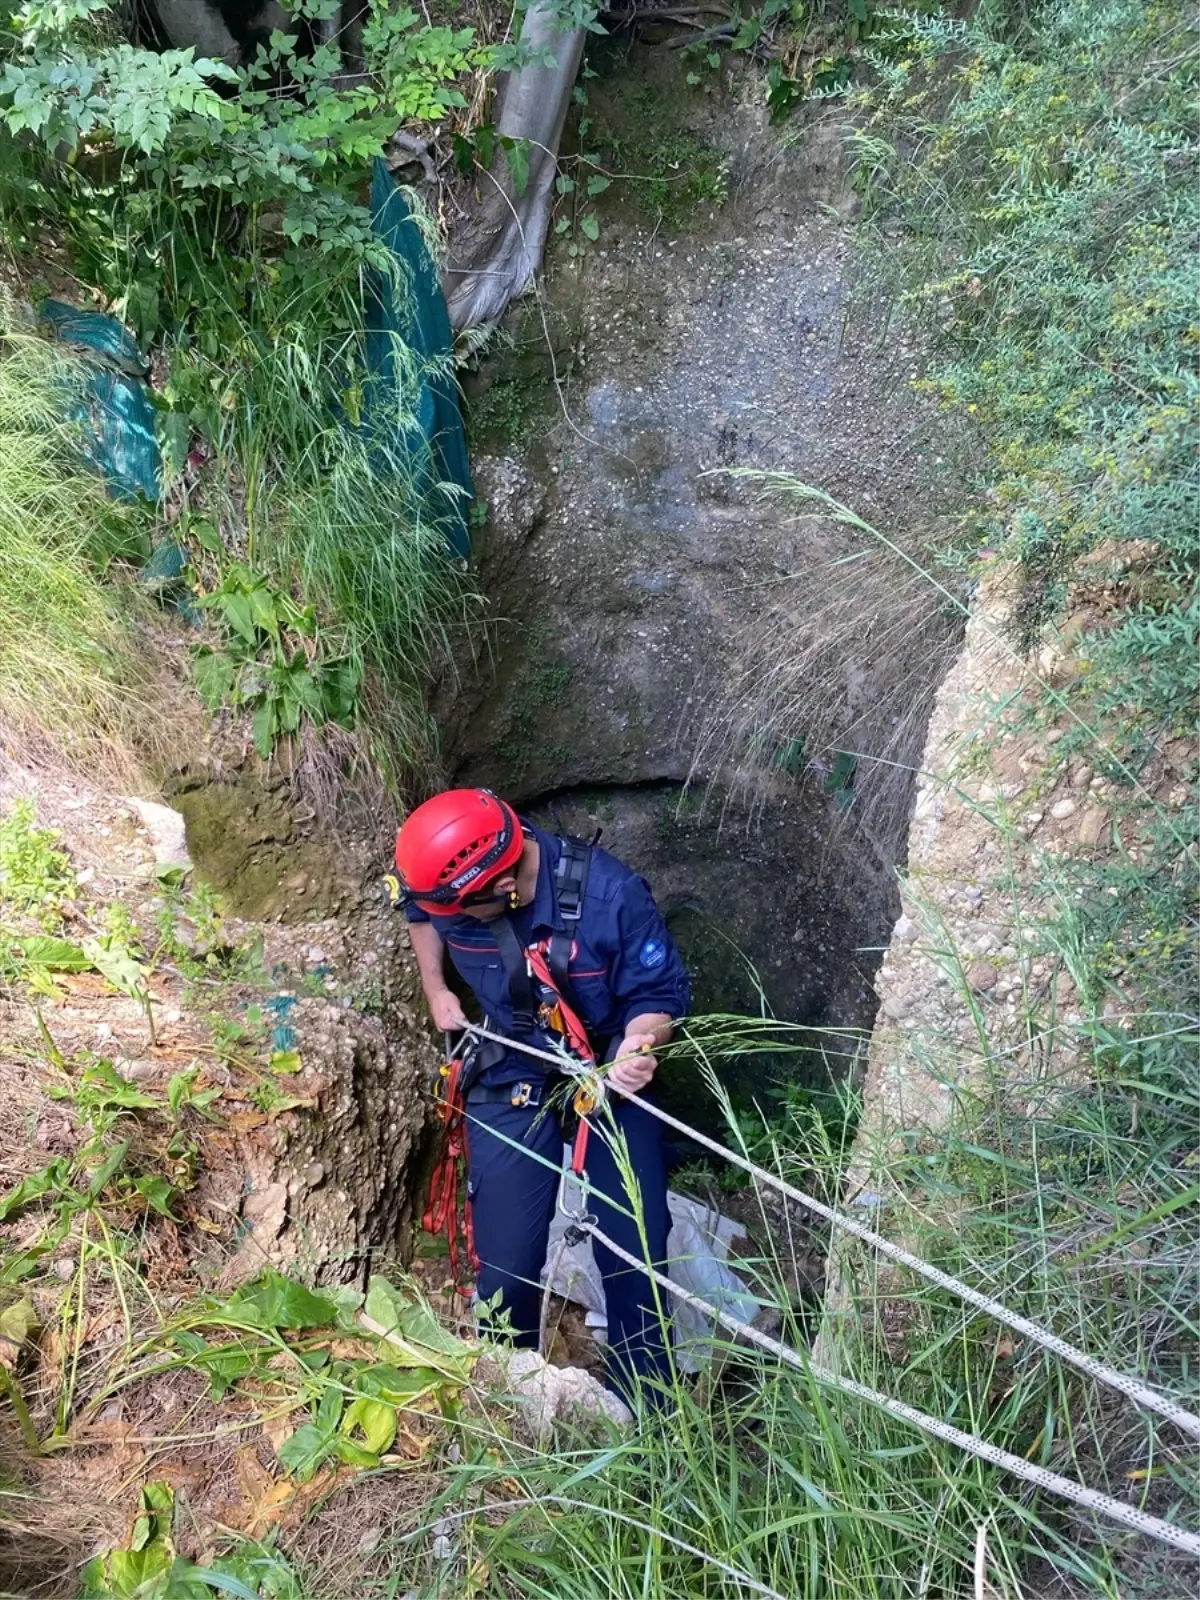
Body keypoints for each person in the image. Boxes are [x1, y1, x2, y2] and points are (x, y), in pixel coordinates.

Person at [394, 787, 690, 1401]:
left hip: (605, 1066)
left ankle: (651, 1416)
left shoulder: (612, 896)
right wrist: (435, 988)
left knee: (636, 1246)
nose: (454, 919)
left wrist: (641, 1043)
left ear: (504, 885)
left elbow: (658, 995)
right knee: (505, 1266)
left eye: (463, 911)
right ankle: (509, 1405)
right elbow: (420, 911)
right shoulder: (451, 886)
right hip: (513, 1061)